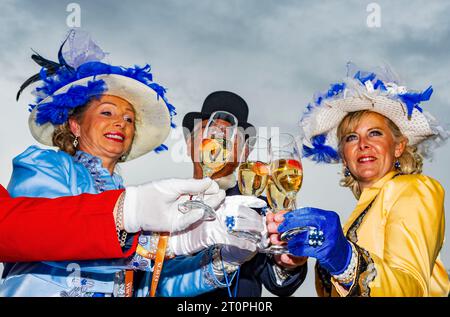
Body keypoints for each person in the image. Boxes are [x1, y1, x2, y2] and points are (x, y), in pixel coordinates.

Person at [1, 30, 260, 297]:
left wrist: (225, 258)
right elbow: (42, 233)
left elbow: (153, 285)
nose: (120, 123)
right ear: (75, 124)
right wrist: (145, 230)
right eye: (106, 112)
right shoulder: (45, 165)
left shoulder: (130, 195)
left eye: (128, 119)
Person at [270, 63, 450, 296]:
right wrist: (294, 258)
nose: (363, 144)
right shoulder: (350, 223)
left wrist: (345, 261)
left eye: (375, 133)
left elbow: (411, 287)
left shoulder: (414, 188)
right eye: (351, 138)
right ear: (344, 158)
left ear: (398, 147)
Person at [181, 91, 307, 297]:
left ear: (245, 152)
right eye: (208, 129)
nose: (218, 137)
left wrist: (290, 263)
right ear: (189, 146)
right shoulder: (166, 201)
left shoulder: (259, 208)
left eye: (230, 133)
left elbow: (279, 283)